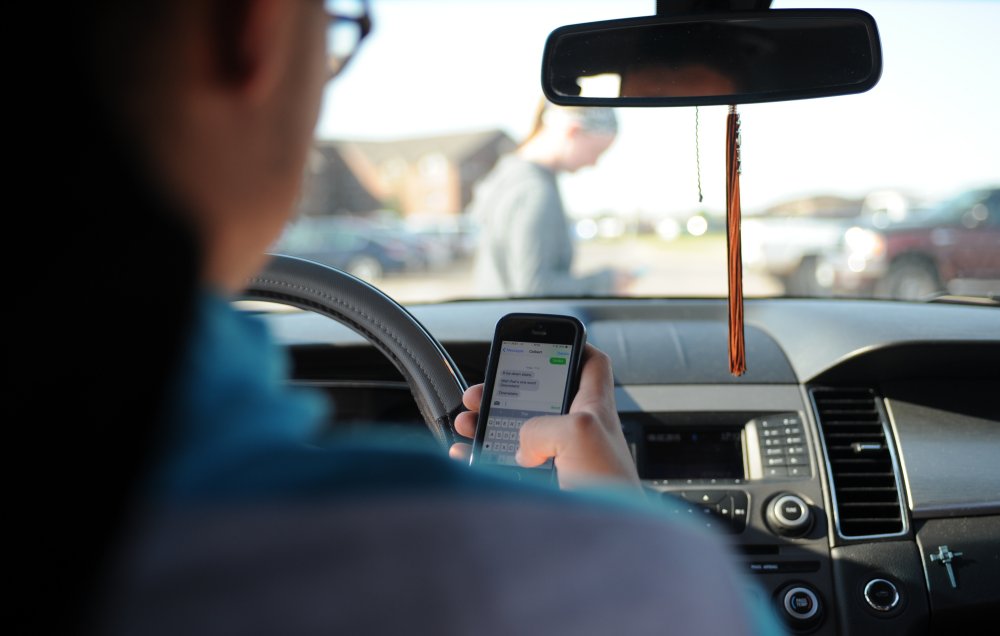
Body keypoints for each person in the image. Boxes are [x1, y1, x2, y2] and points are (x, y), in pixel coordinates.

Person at [32, 1, 780, 634]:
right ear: (249, 31)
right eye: (333, 29)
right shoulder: (628, 587)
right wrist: (619, 523)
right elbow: (531, 283)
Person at [470, 101, 633, 297]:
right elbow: (535, 289)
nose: (594, 163)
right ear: (573, 131)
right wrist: (606, 281)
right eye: (596, 152)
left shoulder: (507, 175)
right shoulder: (534, 190)